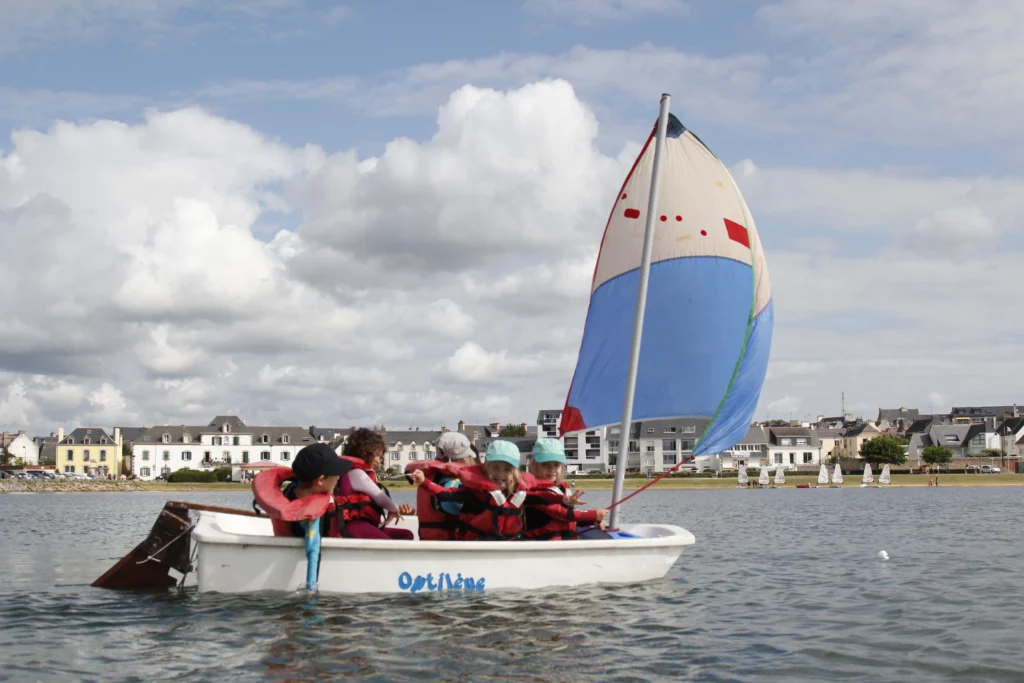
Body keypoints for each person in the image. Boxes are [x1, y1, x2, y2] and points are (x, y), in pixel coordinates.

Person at [411, 440, 540, 540]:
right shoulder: (473, 491)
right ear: (486, 467)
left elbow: (547, 497)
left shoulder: (521, 493)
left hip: (508, 546)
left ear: (515, 472)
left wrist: (560, 498)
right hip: (477, 545)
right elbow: (447, 495)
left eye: (506, 469)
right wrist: (424, 482)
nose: (500, 474)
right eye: (495, 468)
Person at [337, 428, 414, 540]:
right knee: (390, 543)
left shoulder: (359, 473)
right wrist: (395, 509)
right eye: (377, 455)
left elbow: (377, 516)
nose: (379, 460)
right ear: (364, 453)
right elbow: (382, 499)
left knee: (407, 535)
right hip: (354, 526)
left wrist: (392, 513)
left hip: (364, 524)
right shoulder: (356, 473)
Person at [524, 438, 608, 540]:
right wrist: (593, 515)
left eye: (556, 465)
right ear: (534, 466)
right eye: (545, 465)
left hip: (563, 545)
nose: (552, 469)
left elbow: (572, 517)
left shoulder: (562, 489)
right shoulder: (535, 492)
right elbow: (561, 514)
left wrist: (593, 521)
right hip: (542, 548)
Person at [405, 431, 475, 540]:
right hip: (450, 543)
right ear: (464, 458)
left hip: (428, 540)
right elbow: (463, 509)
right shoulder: (452, 482)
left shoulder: (431, 476)